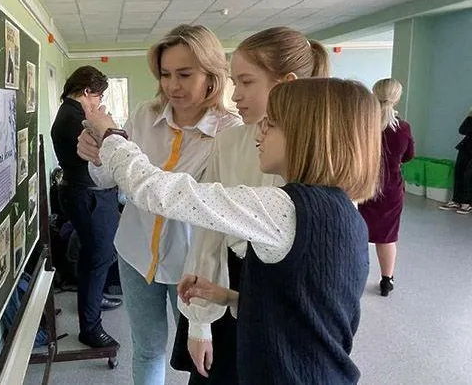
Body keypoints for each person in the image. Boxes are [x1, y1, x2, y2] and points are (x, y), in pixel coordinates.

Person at [82, 78, 380, 385]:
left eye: (272, 124)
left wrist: (111, 134)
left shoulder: (285, 210)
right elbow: (303, 311)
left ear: (310, 137)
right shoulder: (343, 212)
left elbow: (158, 192)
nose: (260, 132)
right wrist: (230, 297)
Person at [165, 27, 330, 384]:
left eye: (246, 82)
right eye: (233, 82)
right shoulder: (229, 142)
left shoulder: (322, 158)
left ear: (286, 83)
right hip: (230, 282)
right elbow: (209, 231)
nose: (235, 96)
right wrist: (200, 321)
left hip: (289, 303)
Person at [85, 25, 241, 384]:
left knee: (200, 355)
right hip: (135, 252)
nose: (173, 86)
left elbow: (186, 203)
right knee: (147, 349)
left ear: (212, 74)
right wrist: (95, 157)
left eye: (185, 74)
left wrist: (114, 149)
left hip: (191, 263)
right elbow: (108, 182)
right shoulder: (144, 115)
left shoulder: (229, 133)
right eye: (166, 74)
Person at [50, 66, 123, 349]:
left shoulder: (70, 113)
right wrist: (108, 124)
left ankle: (96, 296)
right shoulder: (75, 118)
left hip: (84, 193)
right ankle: (90, 329)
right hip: (89, 196)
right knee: (98, 258)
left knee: (94, 257)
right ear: (87, 91)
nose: (98, 102)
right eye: (98, 95)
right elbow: (108, 148)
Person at [358, 78, 415, 296]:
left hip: (364, 186)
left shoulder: (364, 124)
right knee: (387, 236)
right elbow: (409, 156)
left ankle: (357, 275)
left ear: (373, 94)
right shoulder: (403, 128)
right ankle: (386, 281)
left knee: (359, 232)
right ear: (397, 97)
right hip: (391, 190)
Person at [439, 107, 472, 215]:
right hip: (466, 148)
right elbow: (462, 130)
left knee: (469, 175)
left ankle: (467, 203)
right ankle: (456, 200)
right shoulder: (470, 118)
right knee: (458, 172)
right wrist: (469, 116)